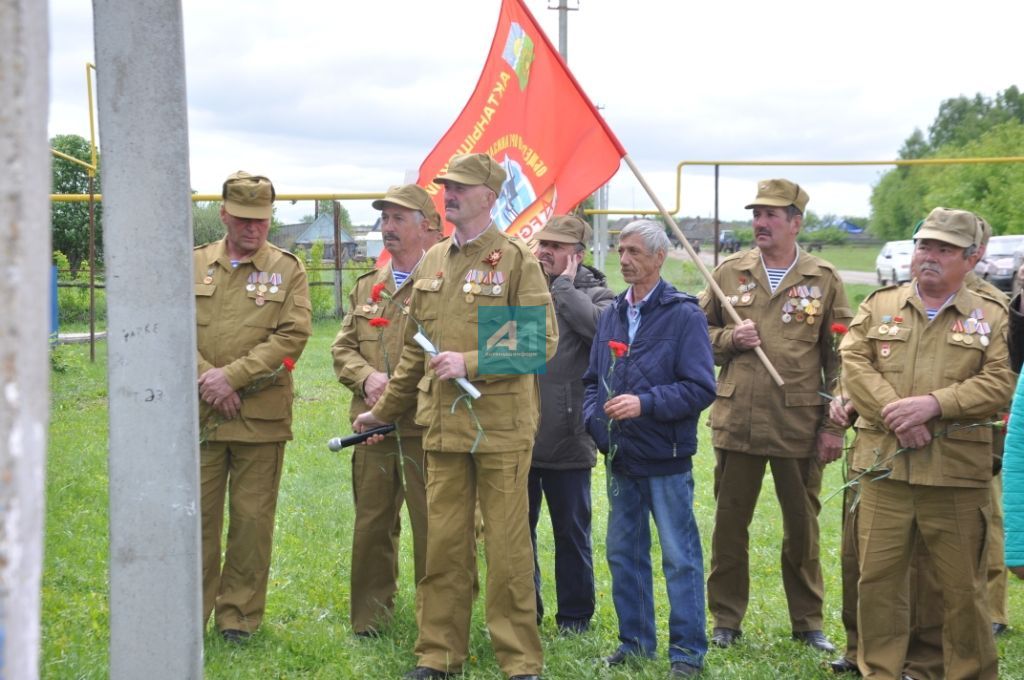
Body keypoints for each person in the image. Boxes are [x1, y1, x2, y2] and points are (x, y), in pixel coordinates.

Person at [352, 153, 557, 680]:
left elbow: (540, 340)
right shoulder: (434, 260)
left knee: (508, 552)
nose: (451, 194)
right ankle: (438, 656)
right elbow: (415, 353)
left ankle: (520, 662)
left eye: (462, 187)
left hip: (500, 432)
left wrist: (471, 361)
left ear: (490, 197)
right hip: (442, 431)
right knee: (443, 548)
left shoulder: (515, 260)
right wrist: (382, 412)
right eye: (447, 186)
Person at [830, 213, 1013, 677]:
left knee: (961, 589)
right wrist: (899, 413)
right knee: (878, 583)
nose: (929, 256)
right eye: (924, 246)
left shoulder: (994, 316)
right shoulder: (879, 305)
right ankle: (882, 671)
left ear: (972, 258)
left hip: (955, 473)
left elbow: (1001, 382)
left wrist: (934, 405)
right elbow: (854, 360)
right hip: (885, 469)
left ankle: (967, 672)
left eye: (945, 250)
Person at [700, 179, 851, 652]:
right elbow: (696, 334)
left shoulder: (823, 278)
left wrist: (832, 427)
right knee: (729, 527)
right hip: (738, 420)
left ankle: (808, 623)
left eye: (771, 215)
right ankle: (726, 619)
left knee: (803, 530)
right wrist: (729, 340)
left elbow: (843, 356)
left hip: (799, 425)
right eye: (756, 214)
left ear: (796, 222)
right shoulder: (729, 273)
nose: (760, 223)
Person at [583, 219, 716, 677]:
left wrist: (646, 403)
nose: (624, 259)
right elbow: (591, 381)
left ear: (660, 258)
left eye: (635, 251)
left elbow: (701, 388)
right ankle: (635, 643)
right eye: (621, 250)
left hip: (666, 458)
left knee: (680, 558)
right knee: (624, 553)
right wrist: (595, 424)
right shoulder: (613, 312)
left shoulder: (684, 314)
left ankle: (687, 655)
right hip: (621, 457)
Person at [195, 170, 312, 641]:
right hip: (201, 415)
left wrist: (232, 377)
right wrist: (208, 379)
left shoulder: (288, 269)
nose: (252, 228)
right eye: (242, 219)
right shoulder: (195, 263)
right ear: (224, 214)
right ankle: (190, 613)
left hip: (258, 418)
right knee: (196, 520)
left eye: (261, 220)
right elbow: (170, 324)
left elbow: (293, 338)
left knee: (250, 522)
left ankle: (237, 618)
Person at [331, 184, 439, 636]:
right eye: (385, 219)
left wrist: (395, 393)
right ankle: (370, 620)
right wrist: (366, 378)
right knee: (372, 524)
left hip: (423, 427)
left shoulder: (442, 285)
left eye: (399, 219)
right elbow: (342, 348)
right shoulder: (368, 286)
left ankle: (435, 623)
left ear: (427, 227)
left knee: (433, 528)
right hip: (370, 429)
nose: (387, 227)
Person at [529, 215, 614, 635]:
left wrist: (563, 286)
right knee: (516, 532)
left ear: (576, 255)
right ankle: (526, 610)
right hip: (520, 435)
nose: (545, 250)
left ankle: (576, 616)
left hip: (568, 435)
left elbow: (601, 331)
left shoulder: (600, 294)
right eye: (542, 242)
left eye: (556, 246)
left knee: (572, 532)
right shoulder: (525, 289)